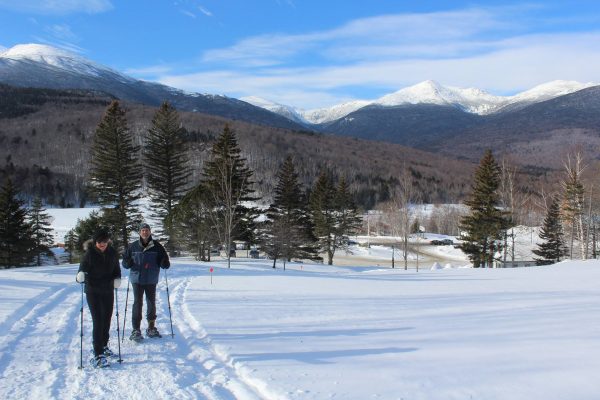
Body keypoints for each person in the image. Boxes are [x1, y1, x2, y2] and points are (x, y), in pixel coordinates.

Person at [76, 228, 121, 368]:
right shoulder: (89, 254)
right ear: (95, 242)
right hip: (93, 291)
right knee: (98, 319)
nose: (102, 244)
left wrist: (117, 278)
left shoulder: (112, 253)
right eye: (100, 241)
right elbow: (81, 269)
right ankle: (98, 353)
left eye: (105, 241)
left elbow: (116, 270)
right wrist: (80, 276)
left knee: (107, 318)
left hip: (107, 290)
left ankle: (104, 345)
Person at [122, 223, 170, 341]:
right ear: (139, 232)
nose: (145, 232)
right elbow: (124, 261)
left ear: (150, 232)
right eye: (143, 230)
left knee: (151, 302)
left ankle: (151, 327)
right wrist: (127, 263)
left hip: (151, 279)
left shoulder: (157, 246)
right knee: (137, 303)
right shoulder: (133, 246)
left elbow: (165, 261)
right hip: (136, 279)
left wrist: (164, 263)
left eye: (147, 230)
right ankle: (136, 330)